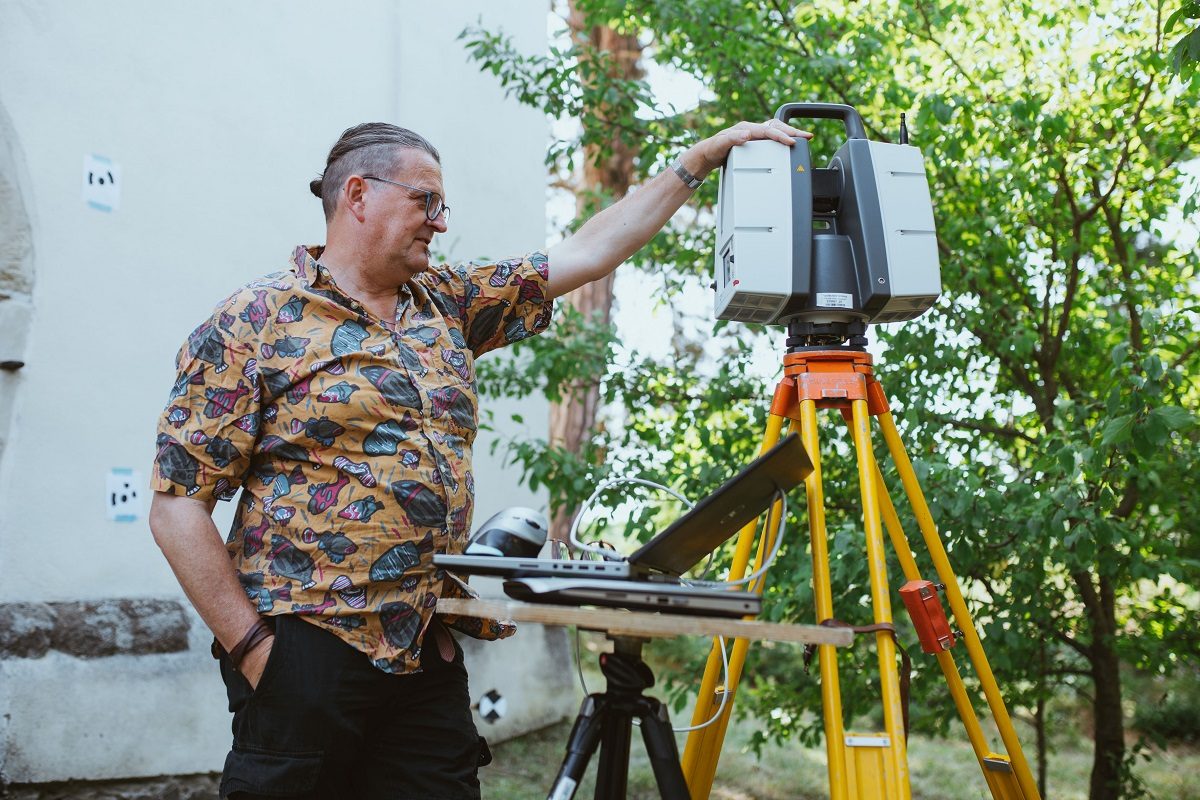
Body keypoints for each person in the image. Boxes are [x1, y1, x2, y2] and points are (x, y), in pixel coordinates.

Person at [149, 117, 809, 800]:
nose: (440, 222)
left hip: (425, 649)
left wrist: (701, 158)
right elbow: (176, 507)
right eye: (426, 201)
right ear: (358, 195)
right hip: (307, 647)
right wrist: (256, 650)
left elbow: (589, 252)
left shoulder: (448, 302)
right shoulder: (254, 322)